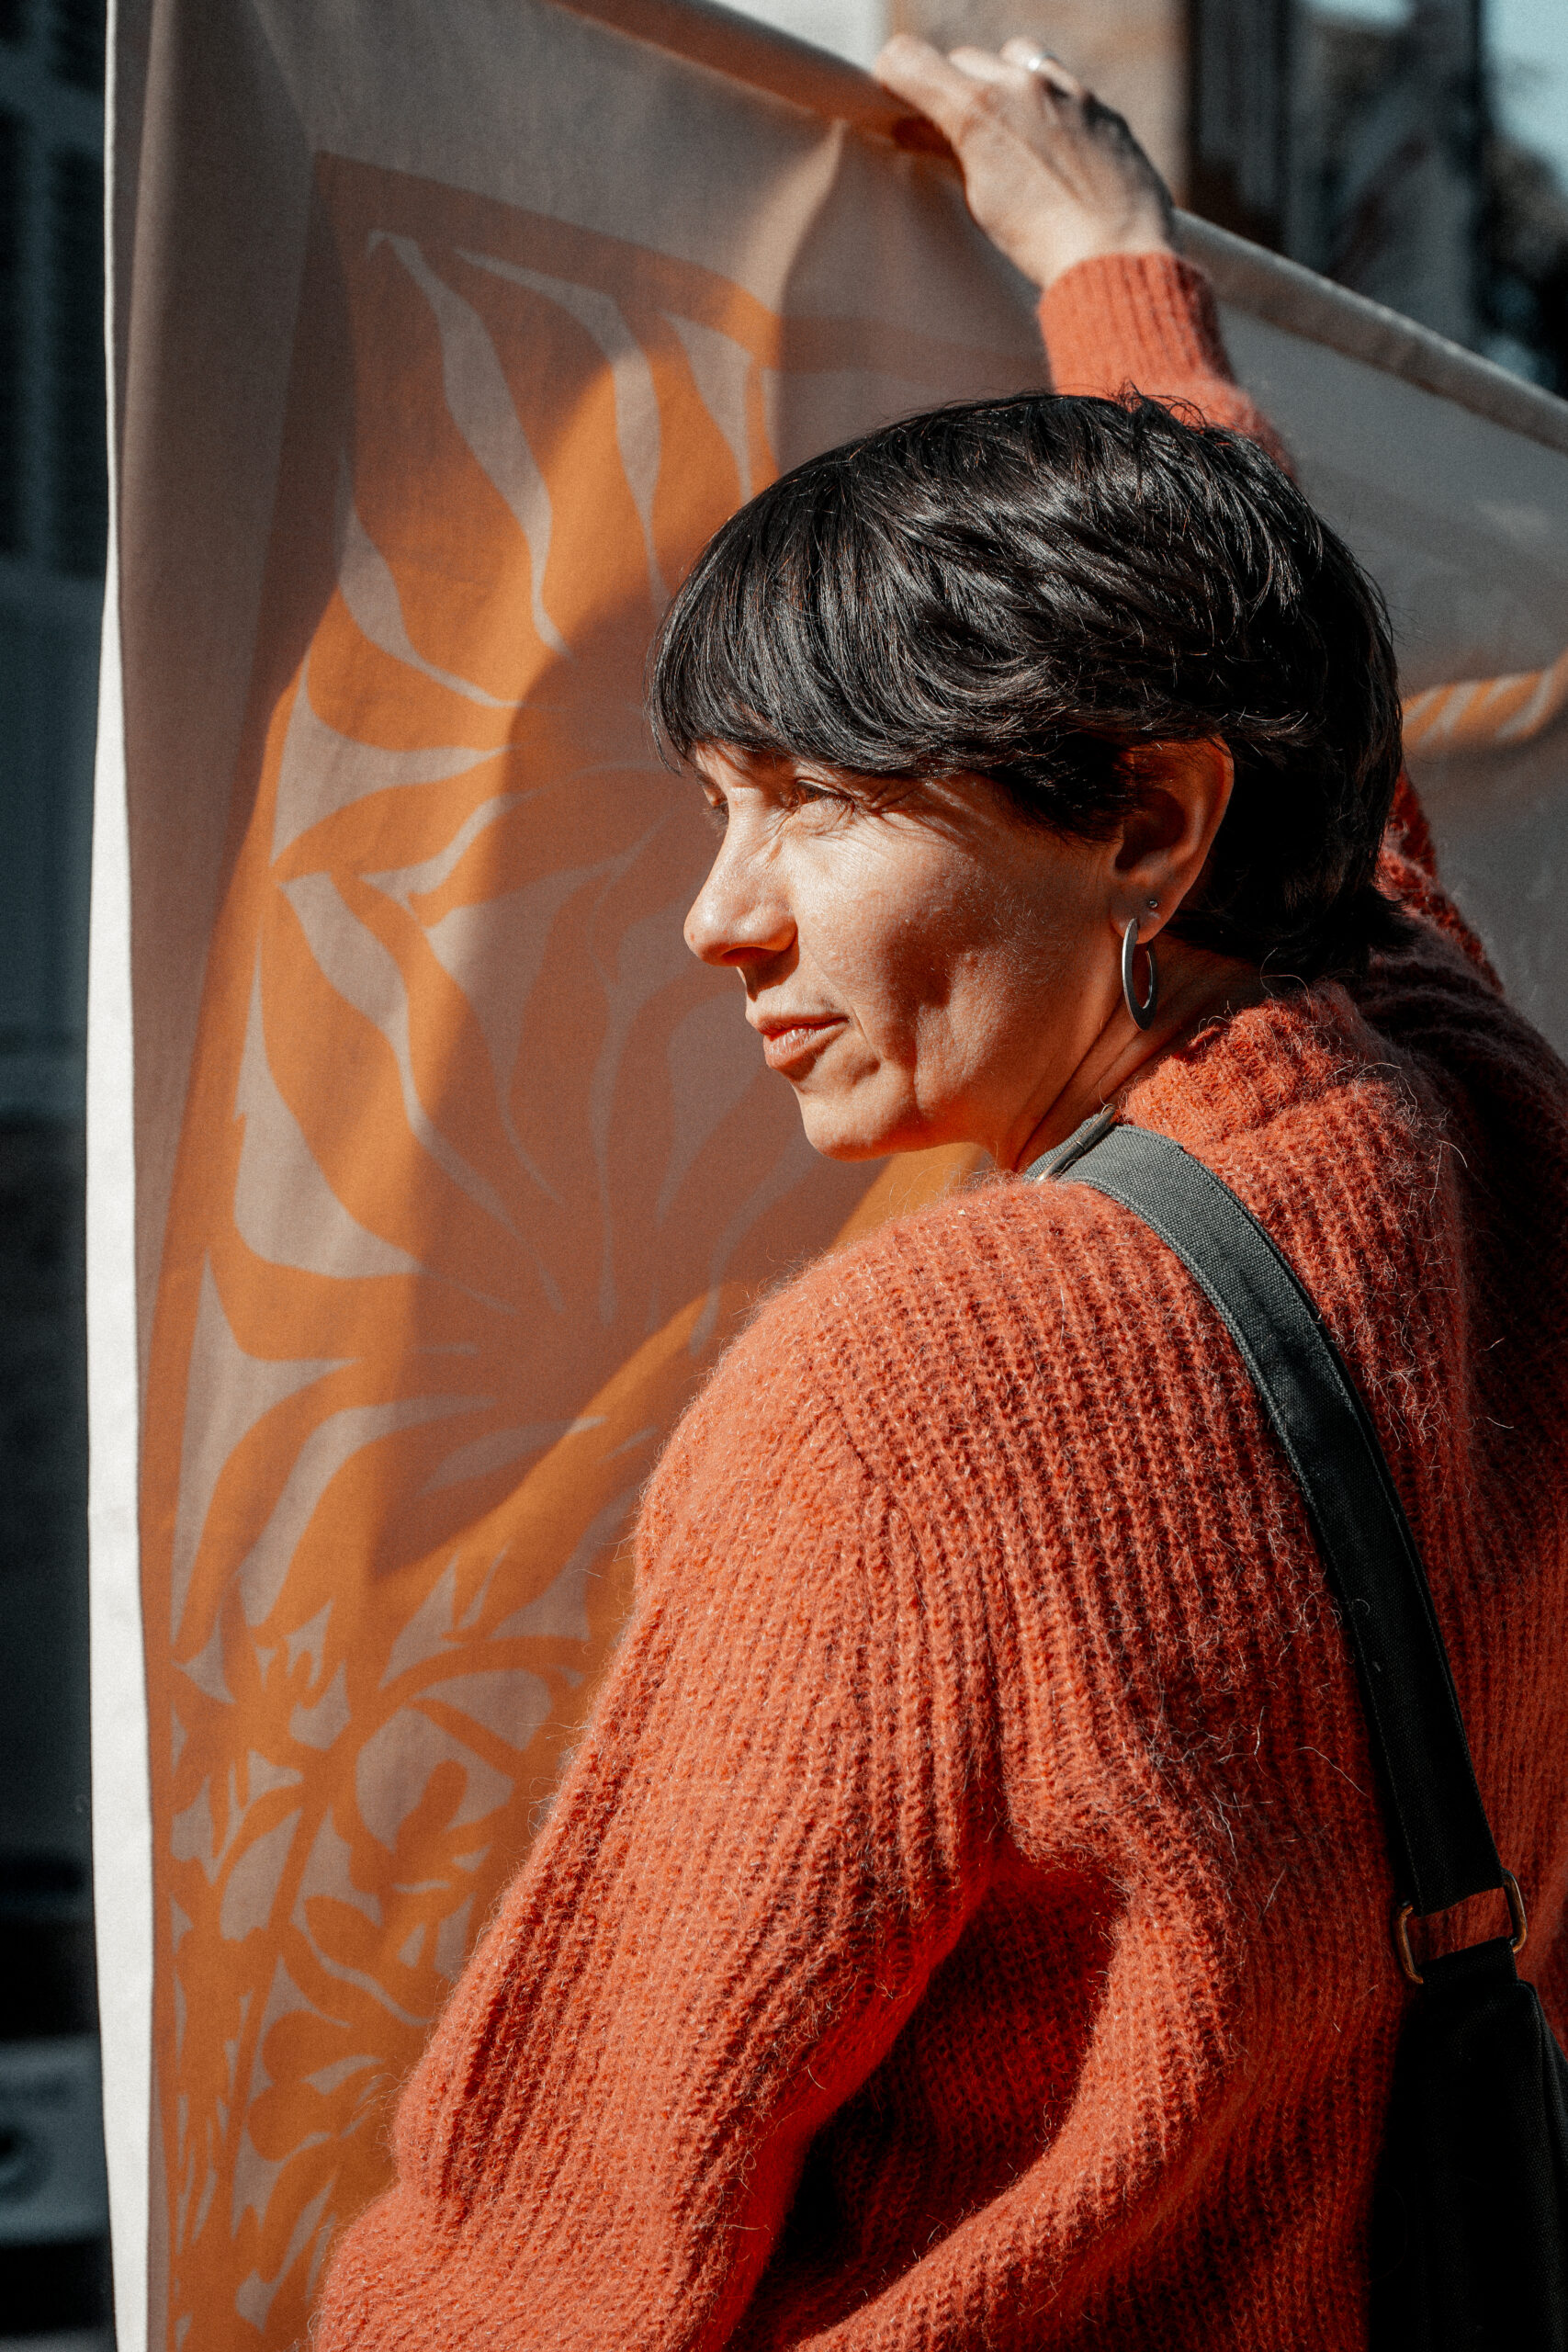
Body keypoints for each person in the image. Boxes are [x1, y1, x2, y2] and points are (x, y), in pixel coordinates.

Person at [313, 36, 1568, 2352]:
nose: (716, 915)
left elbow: (557, 2255)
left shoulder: (909, 1405)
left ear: (1146, 822)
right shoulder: (1475, 1113)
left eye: (807, 801)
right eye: (716, 808)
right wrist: (1111, 272)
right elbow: (1334, 786)